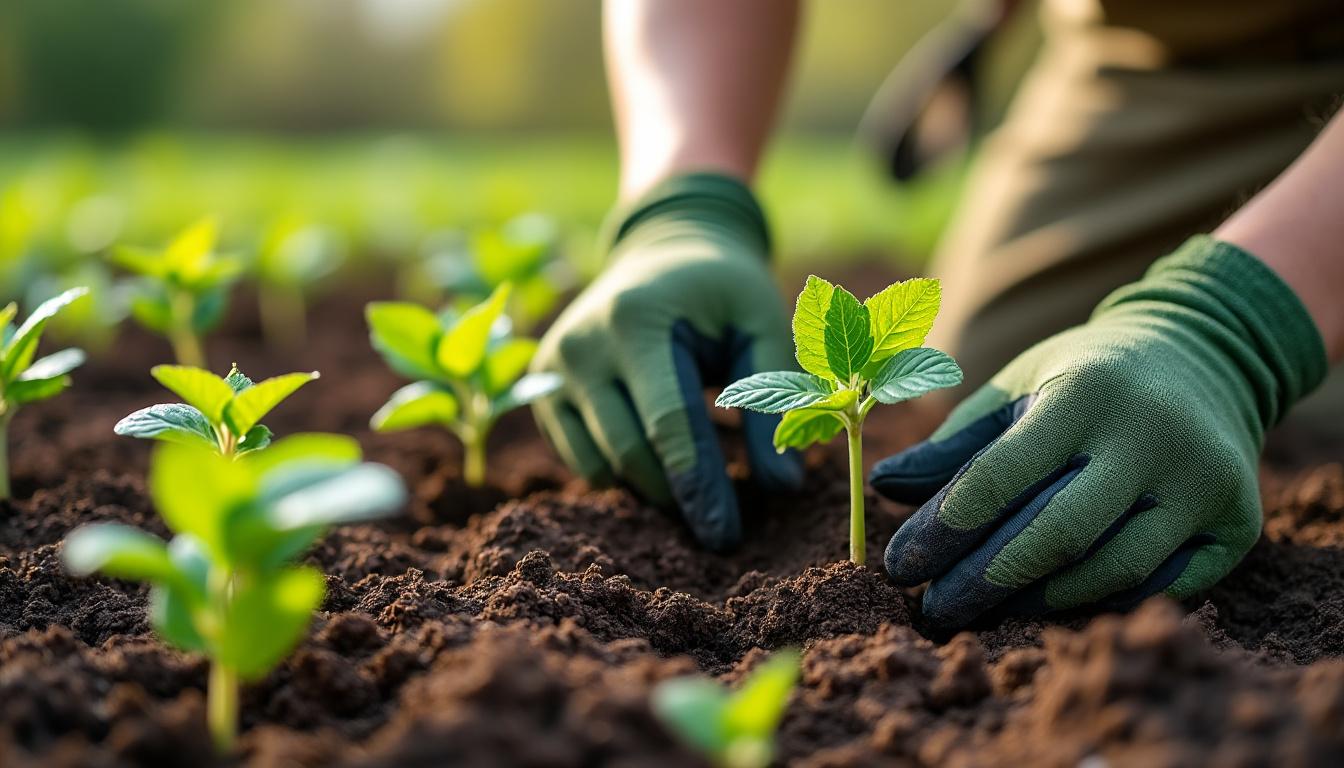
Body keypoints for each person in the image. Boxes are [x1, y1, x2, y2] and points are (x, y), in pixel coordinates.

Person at [530, 0, 1344, 630]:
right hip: (1155, 54)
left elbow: (1235, 334)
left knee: (1299, 427)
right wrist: (684, 200)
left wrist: (1237, 324)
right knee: (993, 395)